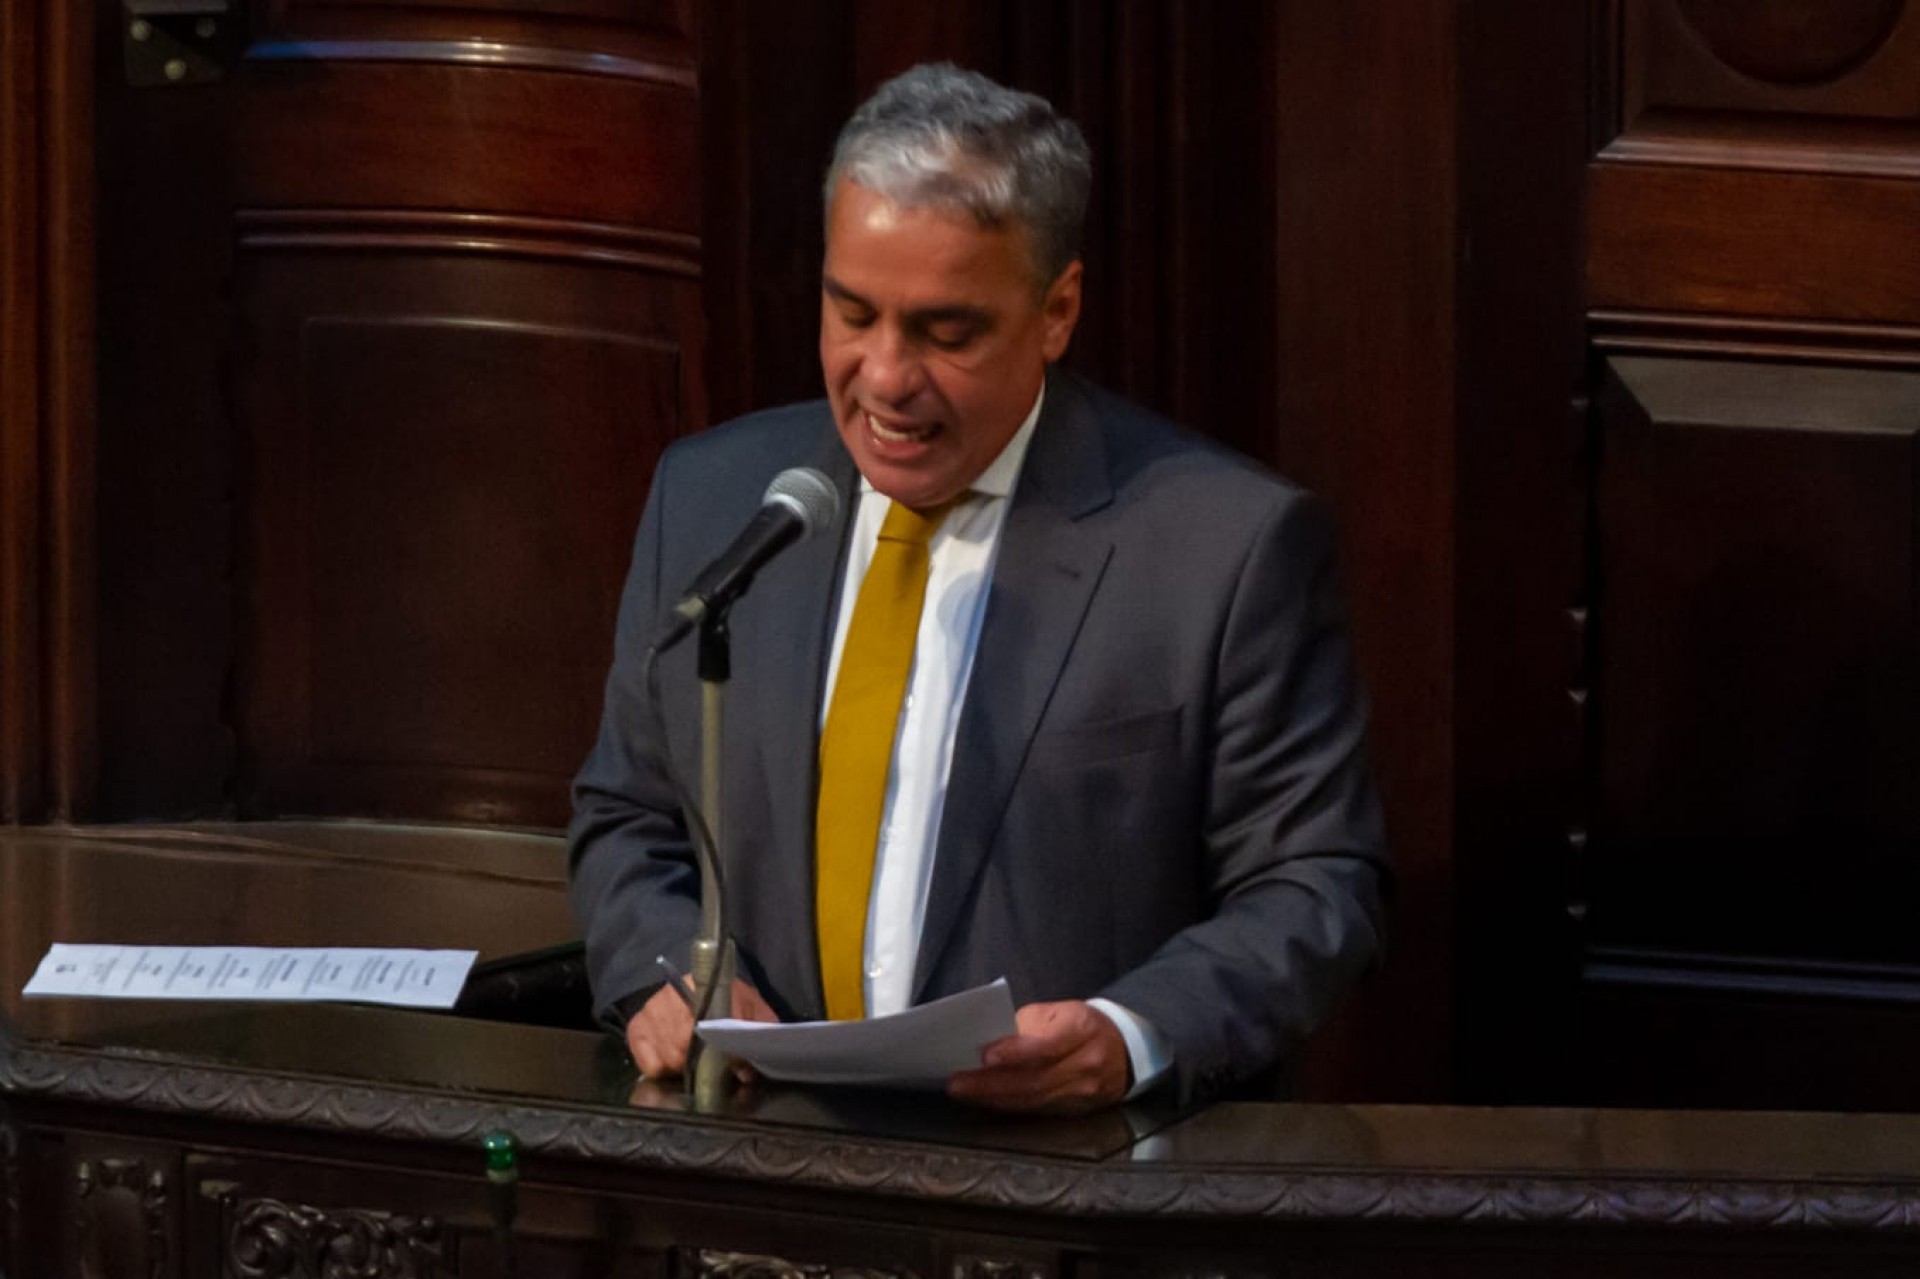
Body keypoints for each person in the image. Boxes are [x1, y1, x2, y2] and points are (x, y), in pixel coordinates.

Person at [569, 62, 1388, 1114]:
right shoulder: (715, 501)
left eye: (945, 331)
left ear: (1057, 310)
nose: (885, 376)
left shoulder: (1222, 549)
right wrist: (663, 973)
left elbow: (1320, 882)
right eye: (851, 313)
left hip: (1062, 1191)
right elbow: (627, 815)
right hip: (763, 1169)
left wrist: (1134, 1034)